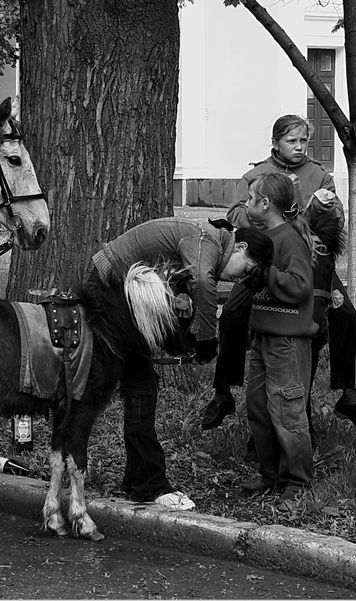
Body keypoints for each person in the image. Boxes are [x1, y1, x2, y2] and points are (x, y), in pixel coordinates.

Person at [201, 114, 356, 434]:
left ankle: (349, 395)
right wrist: (266, 215)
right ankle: (223, 392)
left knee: (346, 315)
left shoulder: (319, 175)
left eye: (303, 141)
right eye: (291, 141)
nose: (299, 148)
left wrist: (323, 209)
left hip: (310, 264)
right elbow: (235, 214)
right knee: (231, 313)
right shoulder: (256, 175)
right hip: (263, 263)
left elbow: (334, 216)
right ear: (275, 142)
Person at [88, 217, 274, 510]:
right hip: (109, 285)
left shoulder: (203, 239)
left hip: (117, 285)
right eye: (246, 270)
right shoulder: (205, 240)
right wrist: (205, 338)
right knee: (141, 386)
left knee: (141, 384)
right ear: (239, 247)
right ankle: (149, 484)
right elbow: (203, 281)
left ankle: (139, 478)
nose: (238, 279)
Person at [239, 173, 316, 499]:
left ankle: (297, 481)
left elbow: (300, 286)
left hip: (286, 340)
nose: (246, 202)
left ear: (265, 203)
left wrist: (267, 273)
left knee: (287, 410)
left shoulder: (288, 240)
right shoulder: (265, 237)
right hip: (262, 336)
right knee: (258, 405)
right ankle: (269, 476)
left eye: (250, 197)